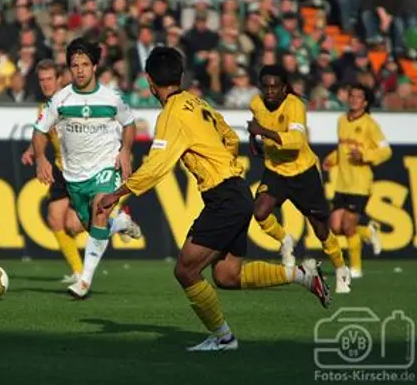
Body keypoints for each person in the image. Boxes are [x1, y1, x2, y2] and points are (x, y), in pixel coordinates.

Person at [98, 47, 330, 352]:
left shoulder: (172, 114)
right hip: (236, 190)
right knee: (227, 275)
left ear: (150, 82)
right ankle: (302, 275)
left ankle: (224, 338)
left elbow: (157, 166)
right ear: (180, 76)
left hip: (225, 197)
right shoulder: (197, 102)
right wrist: (223, 160)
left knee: (185, 270)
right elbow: (229, 137)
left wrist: (117, 194)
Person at [32, 38, 142, 298]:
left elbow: (129, 125)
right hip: (74, 175)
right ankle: (121, 222)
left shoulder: (113, 97)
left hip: (106, 166)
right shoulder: (59, 100)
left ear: (94, 66)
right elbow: (39, 131)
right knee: (87, 225)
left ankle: (84, 281)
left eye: (84, 64)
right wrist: (40, 158)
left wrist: (125, 151)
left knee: (101, 208)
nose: (80, 70)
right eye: (74, 65)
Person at [246, 64, 351, 294]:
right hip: (275, 171)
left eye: (275, 87)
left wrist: (262, 132)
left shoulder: (294, 105)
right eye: (266, 87)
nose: (270, 91)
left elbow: (294, 142)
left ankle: (342, 269)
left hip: (303, 172)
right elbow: (256, 128)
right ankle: (285, 240)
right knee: (260, 211)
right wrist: (254, 139)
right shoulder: (256, 103)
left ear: (285, 88)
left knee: (321, 230)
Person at [21, 59, 85, 284]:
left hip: (83, 170)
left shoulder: (73, 102)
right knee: (55, 219)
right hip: (61, 168)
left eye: (50, 79)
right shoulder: (45, 108)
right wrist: (34, 152)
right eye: (42, 80)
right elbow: (42, 133)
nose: (46, 84)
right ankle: (78, 272)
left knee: (73, 225)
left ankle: (115, 218)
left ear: (59, 79)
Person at [322, 84, 390, 279]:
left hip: (360, 184)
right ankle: (369, 232)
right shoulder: (342, 120)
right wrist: (332, 159)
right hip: (342, 183)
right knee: (335, 227)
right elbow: (342, 149)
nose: (353, 99)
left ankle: (356, 268)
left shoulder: (370, 124)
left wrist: (364, 155)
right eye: (351, 96)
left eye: (358, 97)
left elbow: (386, 151)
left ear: (365, 102)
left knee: (349, 228)